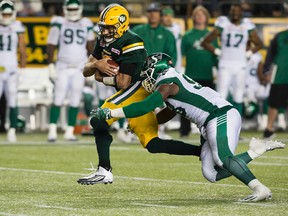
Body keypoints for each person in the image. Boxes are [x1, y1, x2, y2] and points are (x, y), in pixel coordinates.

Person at [92, 52, 285, 201]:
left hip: (219, 115)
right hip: (210, 121)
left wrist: (112, 112)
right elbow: (169, 113)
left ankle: (260, 188)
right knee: (211, 173)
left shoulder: (167, 84)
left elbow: (146, 105)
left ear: (155, 70)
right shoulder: (171, 82)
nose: (146, 79)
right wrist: (142, 122)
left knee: (222, 158)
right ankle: (255, 151)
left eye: (147, 74)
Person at [77, 4, 201, 185]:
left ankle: (104, 170)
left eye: (109, 27)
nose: (104, 31)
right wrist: (97, 65)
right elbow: (86, 70)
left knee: (98, 118)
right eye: (103, 27)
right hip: (130, 89)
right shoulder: (104, 39)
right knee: (153, 144)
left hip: (138, 87)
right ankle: (201, 151)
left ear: (120, 25)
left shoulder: (132, 42)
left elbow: (123, 83)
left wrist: (101, 76)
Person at [201, 3, 263, 116]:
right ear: (229, 12)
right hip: (225, 64)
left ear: (241, 13)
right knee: (221, 95)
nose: (235, 14)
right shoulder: (223, 23)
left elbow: (259, 44)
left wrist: (249, 53)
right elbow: (205, 42)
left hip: (240, 65)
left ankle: (236, 124)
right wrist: (217, 51)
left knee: (238, 96)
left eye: (237, 12)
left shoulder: (247, 26)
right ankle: (218, 123)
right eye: (233, 12)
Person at [47, 0, 95, 142]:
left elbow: (90, 48)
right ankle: (52, 130)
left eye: (75, 9)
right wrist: (50, 65)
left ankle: (69, 131)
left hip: (79, 67)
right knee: (58, 98)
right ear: (65, 9)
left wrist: (91, 66)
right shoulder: (58, 22)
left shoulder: (86, 23)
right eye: (70, 9)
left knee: (75, 99)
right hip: (62, 65)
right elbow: (51, 45)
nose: (73, 12)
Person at [132, 2, 177, 138]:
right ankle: (136, 129)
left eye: (155, 12)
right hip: (140, 72)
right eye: (150, 12)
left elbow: (172, 56)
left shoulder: (167, 34)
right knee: (138, 100)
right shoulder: (138, 30)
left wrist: (166, 73)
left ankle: (159, 130)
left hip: (159, 74)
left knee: (159, 102)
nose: (153, 14)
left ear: (160, 15)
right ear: (147, 14)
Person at [180, 5, 218, 137]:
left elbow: (216, 56)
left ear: (207, 17)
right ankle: (184, 130)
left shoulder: (212, 35)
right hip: (191, 74)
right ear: (193, 18)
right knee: (186, 103)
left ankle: (210, 130)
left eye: (202, 15)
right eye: (197, 15)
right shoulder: (188, 35)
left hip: (207, 74)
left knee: (209, 104)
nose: (200, 17)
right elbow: (181, 54)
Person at [0, 0, 26, 142]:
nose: (6, 16)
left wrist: (22, 69)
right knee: (11, 100)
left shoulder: (17, 26)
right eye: (4, 14)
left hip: (11, 69)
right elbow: (22, 50)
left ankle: (12, 130)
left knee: (12, 100)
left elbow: (22, 50)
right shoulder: (17, 26)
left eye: (8, 14)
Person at [258, 28, 288, 139]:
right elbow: (270, 54)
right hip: (280, 73)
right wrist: (266, 70)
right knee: (274, 101)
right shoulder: (280, 36)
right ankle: (268, 129)